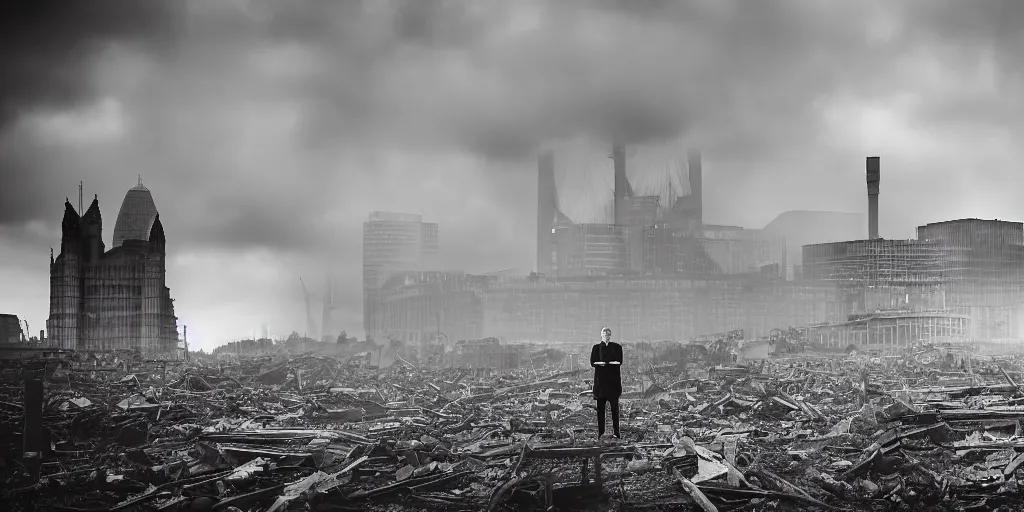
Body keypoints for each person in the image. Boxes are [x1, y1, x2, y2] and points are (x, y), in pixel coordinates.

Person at [590, 327, 622, 439]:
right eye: (604, 333)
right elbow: (592, 362)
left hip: (612, 384)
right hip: (601, 384)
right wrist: (607, 364)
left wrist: (603, 364)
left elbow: (619, 361)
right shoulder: (596, 348)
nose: (606, 335)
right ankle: (601, 433)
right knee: (600, 411)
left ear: (610, 335)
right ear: (601, 335)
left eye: (608, 334)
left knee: (615, 410)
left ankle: (617, 433)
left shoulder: (617, 347)